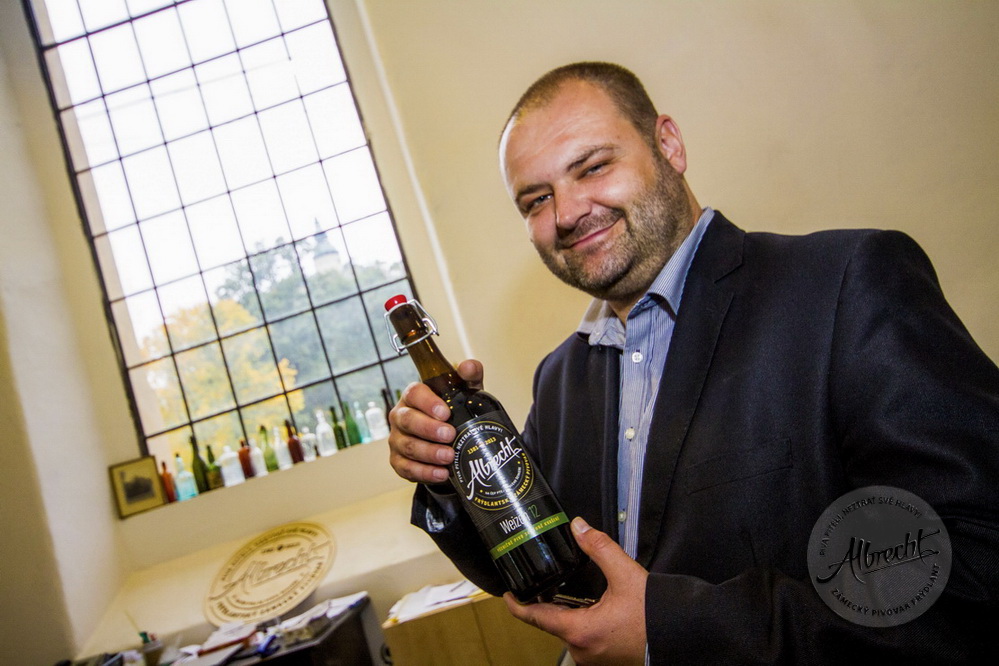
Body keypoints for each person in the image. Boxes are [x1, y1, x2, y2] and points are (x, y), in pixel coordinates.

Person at [387, 62, 999, 664]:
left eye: (593, 167)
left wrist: (666, 632)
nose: (567, 213)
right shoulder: (559, 381)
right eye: (536, 199)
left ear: (669, 145)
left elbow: (971, 570)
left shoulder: (847, 285)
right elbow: (535, 562)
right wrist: (443, 472)